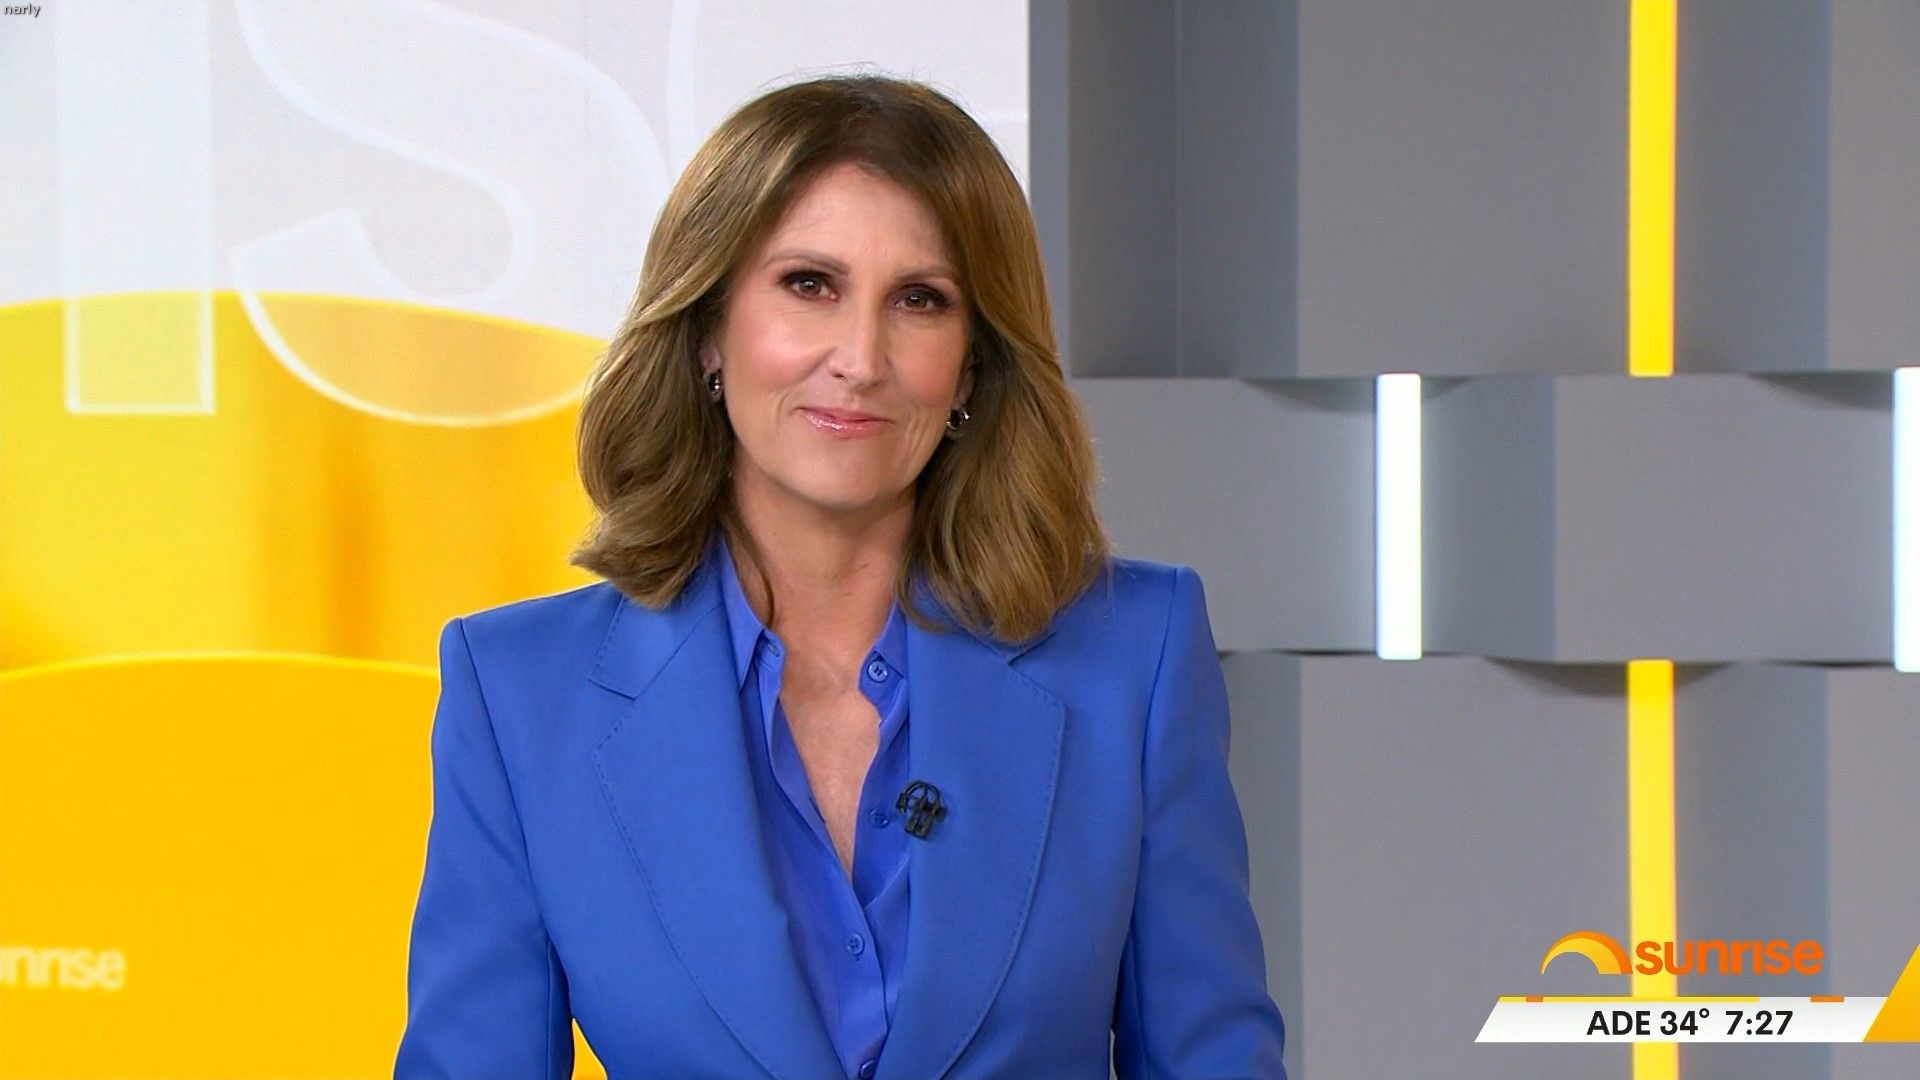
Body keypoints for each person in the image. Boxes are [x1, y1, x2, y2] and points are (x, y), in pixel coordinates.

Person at [393, 73, 1287, 1080]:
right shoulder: (520, 696)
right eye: (810, 284)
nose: (860, 358)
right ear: (707, 330)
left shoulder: (1135, 657)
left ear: (972, 365)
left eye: (920, 300)